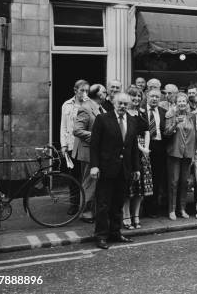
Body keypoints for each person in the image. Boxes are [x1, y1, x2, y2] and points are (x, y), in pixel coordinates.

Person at [90, 92, 141, 249]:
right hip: (106, 169)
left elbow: (133, 148)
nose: (123, 106)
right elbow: (94, 145)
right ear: (113, 103)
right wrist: (94, 165)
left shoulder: (132, 121)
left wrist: (136, 168)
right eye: (120, 103)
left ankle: (115, 233)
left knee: (118, 203)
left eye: (126, 104)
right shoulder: (102, 119)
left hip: (124, 170)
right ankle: (101, 236)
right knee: (104, 204)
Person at [73, 83, 107, 222]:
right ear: (99, 95)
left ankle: (92, 211)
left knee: (95, 182)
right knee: (88, 183)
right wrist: (97, 136)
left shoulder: (100, 108)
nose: (106, 94)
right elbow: (77, 130)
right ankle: (85, 213)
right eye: (104, 92)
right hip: (88, 152)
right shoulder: (86, 108)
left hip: (97, 152)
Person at [122, 87, 151, 229]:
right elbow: (130, 136)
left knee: (140, 189)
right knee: (128, 189)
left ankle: (136, 216)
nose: (136, 99)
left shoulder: (142, 113)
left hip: (143, 153)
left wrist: (146, 148)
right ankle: (126, 217)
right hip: (129, 151)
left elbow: (147, 132)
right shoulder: (124, 113)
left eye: (139, 96)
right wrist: (141, 148)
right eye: (133, 96)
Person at [164, 93, 196, 220]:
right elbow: (166, 133)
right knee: (173, 182)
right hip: (174, 153)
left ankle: (182, 209)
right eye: (180, 101)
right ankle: (171, 210)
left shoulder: (192, 116)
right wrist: (174, 124)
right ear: (175, 103)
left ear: (187, 103)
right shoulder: (170, 115)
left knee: (184, 182)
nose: (182, 103)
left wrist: (193, 153)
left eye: (184, 101)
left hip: (187, 154)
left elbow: (195, 134)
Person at [60, 79, 89, 214]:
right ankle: (74, 204)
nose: (84, 93)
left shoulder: (90, 105)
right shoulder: (67, 105)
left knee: (85, 176)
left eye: (87, 91)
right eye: (82, 90)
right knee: (73, 176)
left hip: (84, 145)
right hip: (71, 144)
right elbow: (63, 126)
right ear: (75, 90)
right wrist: (63, 145)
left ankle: (86, 204)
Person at [140, 88, 168, 217]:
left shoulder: (164, 112)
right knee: (142, 177)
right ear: (147, 96)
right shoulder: (140, 111)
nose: (155, 99)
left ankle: (152, 208)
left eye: (157, 97)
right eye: (152, 96)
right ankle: (140, 208)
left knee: (156, 178)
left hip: (159, 147)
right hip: (144, 147)